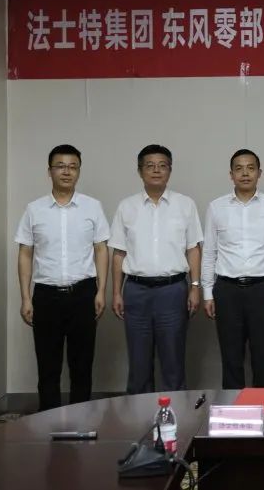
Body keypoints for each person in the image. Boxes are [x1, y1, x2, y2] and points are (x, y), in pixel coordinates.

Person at [15, 144, 109, 411]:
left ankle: (82, 421)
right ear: (49, 171)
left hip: (83, 293)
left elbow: (101, 249)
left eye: (72, 167)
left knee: (82, 365)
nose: (66, 172)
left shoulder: (92, 207)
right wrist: (26, 297)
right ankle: (48, 421)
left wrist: (101, 290)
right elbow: (25, 253)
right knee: (48, 367)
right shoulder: (34, 209)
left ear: (78, 171)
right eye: (60, 166)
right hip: (46, 295)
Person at [109, 144, 202, 393]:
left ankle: (176, 414)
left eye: (162, 165)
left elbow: (193, 248)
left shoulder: (185, 205)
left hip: (173, 291)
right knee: (139, 363)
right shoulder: (126, 207)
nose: (156, 170)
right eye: (150, 166)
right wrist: (116, 292)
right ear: (140, 171)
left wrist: (195, 287)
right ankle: (139, 414)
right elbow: (118, 253)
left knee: (173, 360)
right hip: (136, 291)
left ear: (170, 170)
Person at [202, 149, 264, 389]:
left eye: (251, 168)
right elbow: (209, 252)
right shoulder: (216, 207)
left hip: (263, 289)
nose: (245, 173)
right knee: (231, 357)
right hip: (227, 290)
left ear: (259, 173)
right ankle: (233, 408)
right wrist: (207, 293)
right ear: (231, 174)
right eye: (239, 169)